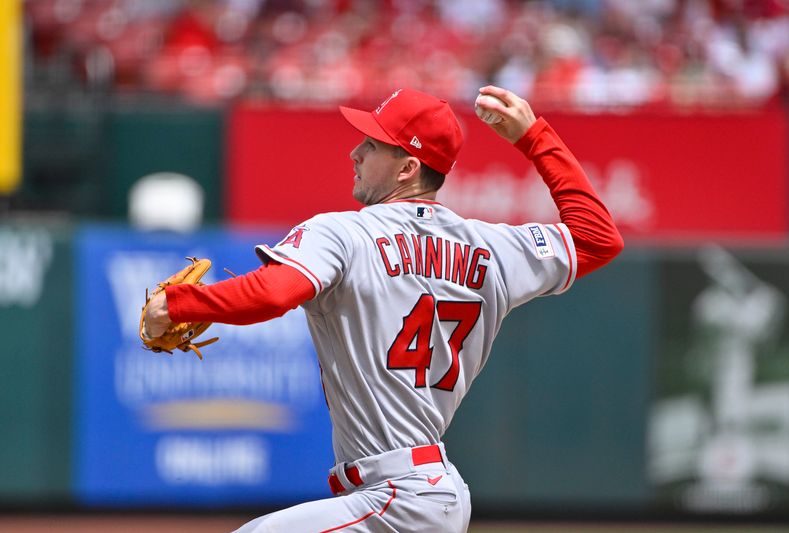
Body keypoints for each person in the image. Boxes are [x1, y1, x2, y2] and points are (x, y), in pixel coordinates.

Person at [144, 86, 624, 532]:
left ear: (407, 167)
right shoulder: (492, 248)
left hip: (401, 496)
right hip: (417, 491)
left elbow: (273, 292)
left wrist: (179, 304)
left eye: (372, 145)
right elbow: (598, 237)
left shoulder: (345, 233)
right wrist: (534, 137)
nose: (355, 153)